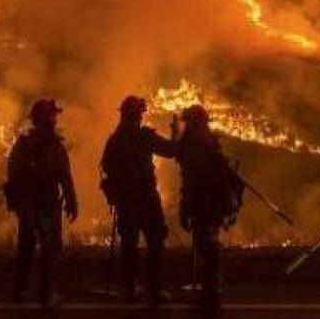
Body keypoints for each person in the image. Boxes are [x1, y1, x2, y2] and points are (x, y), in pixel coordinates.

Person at [99, 95, 178, 304]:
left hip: (125, 199)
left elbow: (106, 166)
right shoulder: (144, 136)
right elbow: (170, 151)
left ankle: (130, 287)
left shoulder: (114, 139)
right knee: (156, 239)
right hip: (145, 197)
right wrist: (176, 131)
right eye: (140, 113)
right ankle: (154, 288)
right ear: (137, 115)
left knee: (129, 243)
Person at [5, 99, 78, 307]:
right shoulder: (55, 146)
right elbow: (65, 176)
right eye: (53, 115)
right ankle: (48, 294)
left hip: (28, 206)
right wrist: (72, 201)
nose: (55, 118)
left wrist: (19, 201)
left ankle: (19, 292)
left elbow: (12, 172)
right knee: (51, 250)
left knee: (25, 249)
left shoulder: (23, 143)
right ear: (47, 118)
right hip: (46, 205)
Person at [176, 104, 243, 308]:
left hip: (203, 205)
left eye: (189, 123)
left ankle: (211, 293)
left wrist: (185, 208)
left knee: (207, 248)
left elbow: (193, 183)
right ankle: (212, 289)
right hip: (212, 205)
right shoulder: (207, 145)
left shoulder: (195, 148)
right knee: (208, 247)